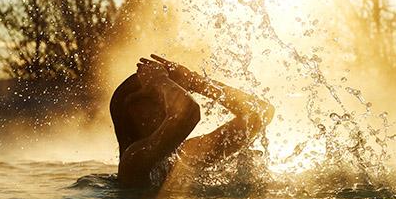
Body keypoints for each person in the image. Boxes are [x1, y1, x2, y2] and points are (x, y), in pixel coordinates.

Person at [110, 55, 274, 189]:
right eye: (159, 95)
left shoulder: (184, 156)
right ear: (134, 108)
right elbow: (188, 113)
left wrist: (196, 81)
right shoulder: (133, 161)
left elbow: (260, 113)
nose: (167, 105)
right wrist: (159, 81)